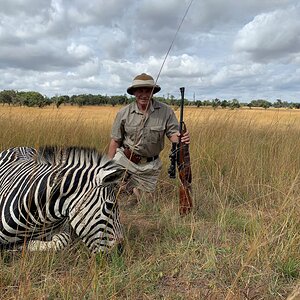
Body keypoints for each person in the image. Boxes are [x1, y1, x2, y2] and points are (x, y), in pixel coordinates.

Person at [108, 73, 190, 201]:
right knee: (109, 188)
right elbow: (115, 140)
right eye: (140, 90)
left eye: (148, 90)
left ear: (153, 92)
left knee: (146, 201)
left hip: (149, 165)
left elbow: (173, 134)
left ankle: (132, 186)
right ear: (134, 92)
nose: (144, 94)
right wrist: (107, 166)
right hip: (125, 159)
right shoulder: (123, 113)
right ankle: (125, 184)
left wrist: (181, 139)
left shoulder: (166, 111)